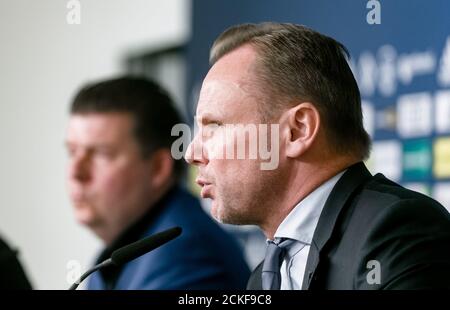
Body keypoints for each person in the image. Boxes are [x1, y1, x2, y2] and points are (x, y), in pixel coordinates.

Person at [185, 22, 450, 289]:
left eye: (214, 127)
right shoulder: (261, 280)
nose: (191, 154)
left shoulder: (397, 231)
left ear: (298, 130)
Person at [65, 76, 250, 289]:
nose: (75, 172)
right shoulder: (114, 256)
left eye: (101, 154)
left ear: (158, 168)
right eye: (72, 152)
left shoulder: (186, 255)